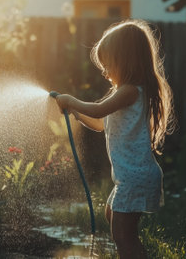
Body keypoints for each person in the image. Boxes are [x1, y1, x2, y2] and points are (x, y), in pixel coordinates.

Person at [53, 19, 175, 259]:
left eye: (108, 64)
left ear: (125, 60)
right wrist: (75, 113)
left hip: (134, 177)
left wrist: (70, 100)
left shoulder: (130, 91)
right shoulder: (126, 92)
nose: (105, 71)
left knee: (123, 237)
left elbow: (97, 110)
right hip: (131, 177)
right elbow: (100, 123)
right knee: (114, 217)